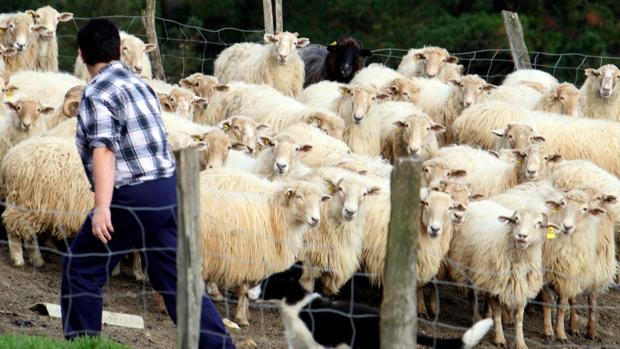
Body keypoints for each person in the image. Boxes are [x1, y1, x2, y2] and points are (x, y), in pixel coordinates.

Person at [60, 18, 236, 349]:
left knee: (82, 267)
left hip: (133, 195)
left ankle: (82, 344)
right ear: (117, 51)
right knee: (175, 281)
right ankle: (220, 347)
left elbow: (105, 148)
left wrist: (101, 208)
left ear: (81, 54)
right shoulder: (137, 82)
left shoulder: (97, 91)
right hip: (167, 190)